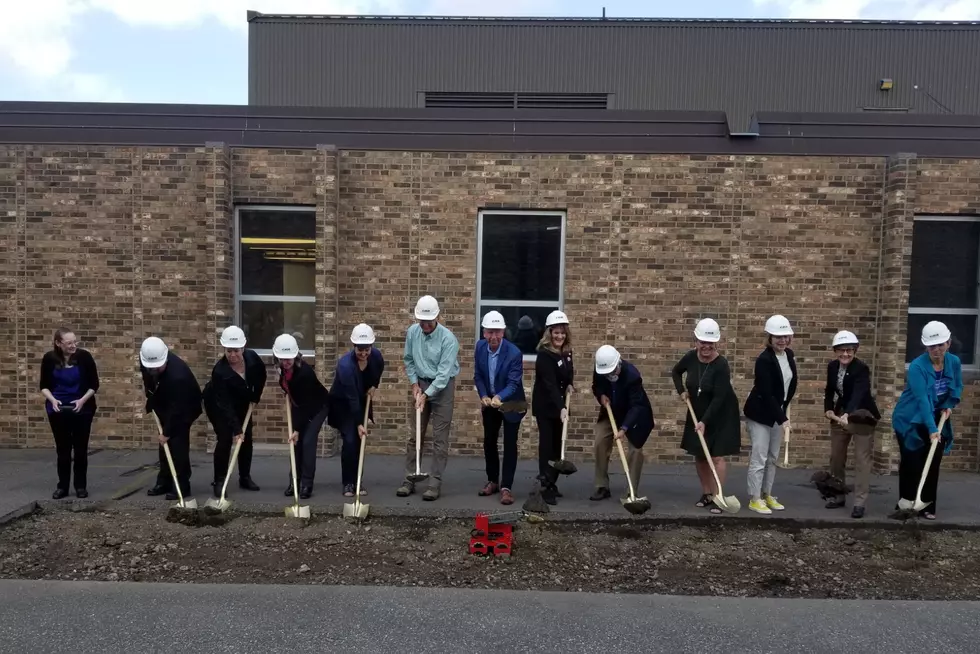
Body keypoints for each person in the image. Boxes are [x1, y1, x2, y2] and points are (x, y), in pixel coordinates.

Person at [891, 320, 962, 521]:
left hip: (937, 414)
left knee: (933, 460)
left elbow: (956, 386)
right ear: (925, 346)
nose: (937, 349)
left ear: (948, 343)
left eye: (940, 344)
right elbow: (922, 401)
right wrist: (932, 430)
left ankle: (927, 505)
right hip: (909, 419)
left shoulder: (954, 362)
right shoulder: (917, 367)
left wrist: (948, 404)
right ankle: (905, 503)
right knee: (912, 461)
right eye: (932, 346)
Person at [670, 318, 741, 515]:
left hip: (721, 413)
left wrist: (704, 422)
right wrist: (681, 390)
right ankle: (707, 493)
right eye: (702, 342)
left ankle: (719, 497)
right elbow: (676, 372)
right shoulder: (690, 358)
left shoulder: (721, 365)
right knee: (700, 456)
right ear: (696, 341)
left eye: (710, 343)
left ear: (716, 343)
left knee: (716, 456)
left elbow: (719, 398)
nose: (706, 346)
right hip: (697, 410)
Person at [398, 295, 460, 501]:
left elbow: (443, 376)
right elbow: (408, 359)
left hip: (442, 388)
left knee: (440, 439)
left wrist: (426, 394)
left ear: (437, 317)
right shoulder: (412, 333)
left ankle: (434, 482)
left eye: (428, 321)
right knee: (414, 434)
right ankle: (409, 479)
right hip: (420, 384)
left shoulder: (448, 339)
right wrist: (415, 384)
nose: (424, 324)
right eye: (421, 321)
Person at [822, 330, 881, 519]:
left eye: (849, 350)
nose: (845, 354)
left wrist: (848, 412)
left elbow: (859, 392)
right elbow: (829, 390)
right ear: (835, 351)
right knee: (836, 457)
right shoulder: (832, 367)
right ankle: (838, 495)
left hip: (862, 416)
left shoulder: (861, 368)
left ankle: (859, 502)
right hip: (840, 415)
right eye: (841, 350)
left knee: (862, 460)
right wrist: (829, 408)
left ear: (855, 350)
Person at [742, 314, 797, 515]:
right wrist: (782, 418)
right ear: (770, 338)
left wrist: (784, 407)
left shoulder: (789, 355)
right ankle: (755, 498)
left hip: (777, 412)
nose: (782, 340)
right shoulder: (764, 360)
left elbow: (790, 384)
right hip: (760, 414)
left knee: (773, 457)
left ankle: (767, 493)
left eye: (786, 336)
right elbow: (765, 392)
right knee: (760, 456)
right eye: (777, 337)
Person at [203, 325, 267, 496]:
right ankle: (219, 480)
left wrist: (256, 396)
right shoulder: (220, 372)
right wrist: (236, 429)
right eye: (228, 351)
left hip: (243, 401)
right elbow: (224, 404)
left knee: (246, 439)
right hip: (218, 405)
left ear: (243, 348)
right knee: (225, 438)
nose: (232, 355)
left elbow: (262, 376)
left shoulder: (252, 358)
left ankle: (245, 477)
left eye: (236, 351)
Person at [38, 327, 100, 499]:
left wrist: (82, 401)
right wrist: (52, 400)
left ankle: (80, 486)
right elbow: (43, 386)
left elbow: (94, 385)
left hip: (82, 408)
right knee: (63, 450)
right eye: (69, 343)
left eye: (75, 342)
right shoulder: (49, 359)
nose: (74, 345)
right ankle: (62, 487)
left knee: (80, 449)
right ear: (58, 343)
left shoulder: (84, 357)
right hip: (58, 409)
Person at [140, 336, 203, 501]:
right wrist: (150, 396)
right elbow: (148, 379)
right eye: (150, 368)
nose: (153, 370)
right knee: (164, 446)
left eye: (157, 368)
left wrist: (167, 432)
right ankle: (164, 481)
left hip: (185, 407)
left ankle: (182, 485)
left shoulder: (178, 376)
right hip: (164, 401)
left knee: (177, 446)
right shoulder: (147, 360)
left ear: (165, 358)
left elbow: (178, 410)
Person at [474, 311, 526, 506]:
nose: (493, 337)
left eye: (497, 332)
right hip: (490, 402)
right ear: (484, 333)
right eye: (489, 332)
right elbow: (478, 375)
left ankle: (507, 487)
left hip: (512, 402)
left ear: (503, 332)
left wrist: (498, 397)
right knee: (489, 441)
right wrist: (484, 396)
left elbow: (513, 383)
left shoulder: (514, 353)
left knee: (510, 444)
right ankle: (493, 481)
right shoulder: (479, 347)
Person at [590, 345, 655, 502]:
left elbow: (636, 406)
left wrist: (624, 428)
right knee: (600, 441)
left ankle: (631, 492)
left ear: (618, 363)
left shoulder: (632, 376)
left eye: (611, 372)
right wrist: (601, 396)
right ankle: (602, 486)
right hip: (611, 410)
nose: (609, 375)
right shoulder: (600, 368)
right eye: (606, 374)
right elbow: (596, 386)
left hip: (634, 414)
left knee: (635, 451)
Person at [328, 323, 385, 497]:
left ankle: (358, 481)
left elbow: (378, 370)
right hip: (342, 404)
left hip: (359, 401)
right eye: (360, 349)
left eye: (366, 349)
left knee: (359, 443)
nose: (363, 353)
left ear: (371, 346)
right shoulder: (345, 366)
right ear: (353, 347)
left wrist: (374, 385)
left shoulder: (376, 357)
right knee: (351, 440)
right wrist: (360, 423)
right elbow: (351, 397)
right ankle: (348, 483)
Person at [274, 333, 330, 500]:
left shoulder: (304, 374)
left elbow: (307, 406)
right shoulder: (282, 369)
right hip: (300, 406)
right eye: (282, 359)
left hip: (318, 407)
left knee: (306, 442)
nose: (286, 362)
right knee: (295, 445)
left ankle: (306, 484)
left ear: (296, 355)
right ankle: (294, 481)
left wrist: (297, 429)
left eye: (289, 358)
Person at [531, 310, 575, 505]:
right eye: (556, 332)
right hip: (546, 407)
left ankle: (552, 482)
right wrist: (561, 408)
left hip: (560, 406)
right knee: (547, 446)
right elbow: (549, 384)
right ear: (549, 333)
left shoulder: (566, 353)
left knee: (558, 445)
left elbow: (568, 373)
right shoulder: (544, 355)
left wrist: (570, 384)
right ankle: (544, 484)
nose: (559, 336)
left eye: (562, 332)